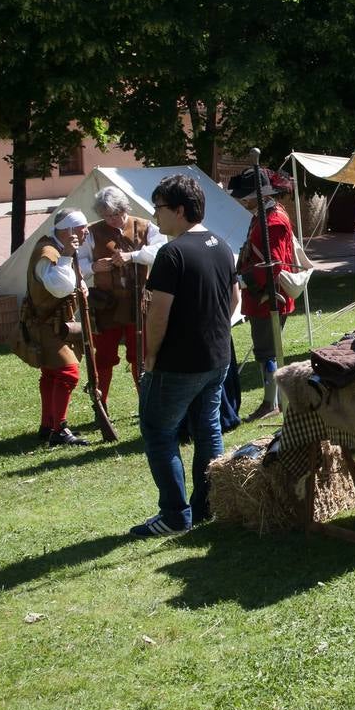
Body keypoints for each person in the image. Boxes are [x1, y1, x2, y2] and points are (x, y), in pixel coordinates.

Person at [131, 174, 239, 537]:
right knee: (207, 429)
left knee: (159, 431)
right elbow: (234, 301)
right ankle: (206, 504)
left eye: (159, 208)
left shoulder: (171, 253)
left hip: (179, 364)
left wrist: (150, 357)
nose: (155, 216)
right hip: (217, 358)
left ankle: (176, 514)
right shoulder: (222, 246)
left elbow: (157, 313)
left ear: (179, 210)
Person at [77, 187, 165, 410]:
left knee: (140, 356)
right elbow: (78, 263)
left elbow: (161, 250)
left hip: (138, 302)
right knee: (104, 356)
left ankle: (146, 403)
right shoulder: (92, 232)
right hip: (105, 304)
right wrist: (93, 267)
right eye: (106, 216)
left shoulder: (144, 226)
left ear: (124, 209)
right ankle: (101, 404)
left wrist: (132, 256)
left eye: (115, 214)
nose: (111, 219)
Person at [230, 166, 297, 422]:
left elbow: (275, 266)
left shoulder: (273, 221)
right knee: (264, 351)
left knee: (267, 352)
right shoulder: (262, 216)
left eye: (245, 196)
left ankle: (271, 403)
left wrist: (241, 281)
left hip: (269, 296)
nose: (242, 200)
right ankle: (273, 400)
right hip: (260, 296)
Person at [24, 209, 93, 445]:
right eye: (82, 227)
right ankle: (59, 429)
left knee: (52, 375)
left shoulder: (58, 247)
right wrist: (67, 256)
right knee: (67, 373)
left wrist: (80, 282)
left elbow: (70, 280)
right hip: (46, 323)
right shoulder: (49, 252)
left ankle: (48, 426)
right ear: (69, 230)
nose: (87, 231)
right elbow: (59, 287)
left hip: (52, 322)